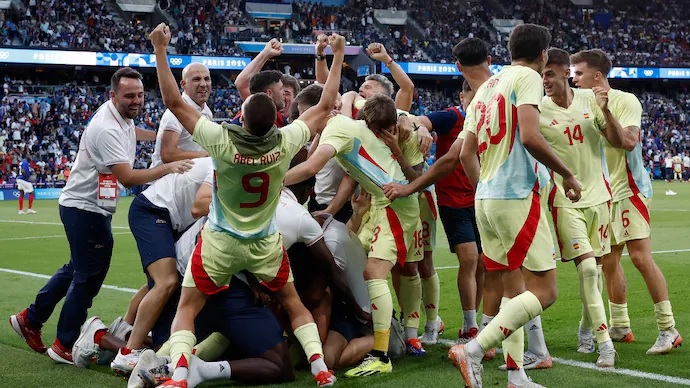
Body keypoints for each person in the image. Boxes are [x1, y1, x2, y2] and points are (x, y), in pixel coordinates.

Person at [150, 24, 345, 388]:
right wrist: (336, 56)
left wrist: (161, 50)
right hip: (263, 242)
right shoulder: (286, 142)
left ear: (242, 116)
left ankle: (178, 374)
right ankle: (320, 368)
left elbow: (174, 102)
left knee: (188, 308)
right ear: (274, 120)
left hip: (221, 242)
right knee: (293, 302)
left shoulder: (221, 140)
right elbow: (323, 104)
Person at [9, 67, 193, 365]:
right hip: (85, 208)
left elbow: (134, 132)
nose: (136, 101)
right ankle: (63, 342)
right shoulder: (107, 128)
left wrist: (162, 137)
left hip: (87, 207)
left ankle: (30, 318)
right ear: (113, 95)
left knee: (77, 268)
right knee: (88, 276)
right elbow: (128, 177)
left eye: (140, 95)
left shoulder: (120, 118)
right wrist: (167, 166)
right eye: (129, 96)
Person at [448, 24, 582, 388]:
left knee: (513, 289)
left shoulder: (485, 88)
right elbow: (530, 135)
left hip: (486, 199)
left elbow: (464, 152)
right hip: (517, 196)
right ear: (543, 56)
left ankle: (516, 374)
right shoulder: (527, 78)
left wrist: (484, 187)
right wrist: (568, 174)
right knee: (544, 291)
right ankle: (473, 349)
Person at [284, 91, 426, 377]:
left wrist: (270, 180)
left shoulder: (337, 129)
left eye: (306, 117)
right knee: (357, 259)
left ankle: (382, 353)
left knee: (374, 272)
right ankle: (376, 329)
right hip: (382, 203)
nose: (303, 125)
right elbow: (356, 99)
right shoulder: (350, 120)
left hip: (394, 205)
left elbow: (312, 166)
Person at [382, 38, 498, 355]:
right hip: (453, 201)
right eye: (470, 93)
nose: (475, 98)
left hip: (481, 200)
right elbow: (424, 119)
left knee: (485, 264)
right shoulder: (452, 116)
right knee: (470, 258)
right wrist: (418, 124)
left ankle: (470, 323)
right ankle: (472, 324)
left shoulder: (488, 115)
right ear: (462, 95)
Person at [571, 48, 682, 355]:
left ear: (597, 76)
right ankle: (620, 326)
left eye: (578, 73)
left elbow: (629, 141)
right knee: (609, 261)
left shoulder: (624, 100)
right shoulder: (578, 103)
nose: (573, 78)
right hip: (603, 193)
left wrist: (605, 111)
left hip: (628, 189)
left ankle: (668, 328)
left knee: (640, 256)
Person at [536, 47, 628, 367]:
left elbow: (617, 141)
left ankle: (585, 330)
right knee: (588, 268)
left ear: (565, 72)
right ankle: (605, 345)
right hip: (565, 201)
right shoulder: (538, 110)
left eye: (551, 73)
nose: (545, 80)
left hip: (600, 197)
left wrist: (608, 110)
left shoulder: (590, 99)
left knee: (597, 271)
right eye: (542, 74)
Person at [108, 157, 214, 373]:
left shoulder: (223, 161)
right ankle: (129, 351)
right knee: (166, 281)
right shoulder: (220, 164)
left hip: (168, 216)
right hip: (153, 210)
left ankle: (124, 330)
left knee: (164, 281)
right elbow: (198, 207)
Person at [150, 63, 212, 168]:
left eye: (207, 79)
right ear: (183, 84)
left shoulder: (206, 110)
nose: (203, 84)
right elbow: (168, 154)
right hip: (166, 181)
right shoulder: (175, 113)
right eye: (196, 79)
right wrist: (208, 156)